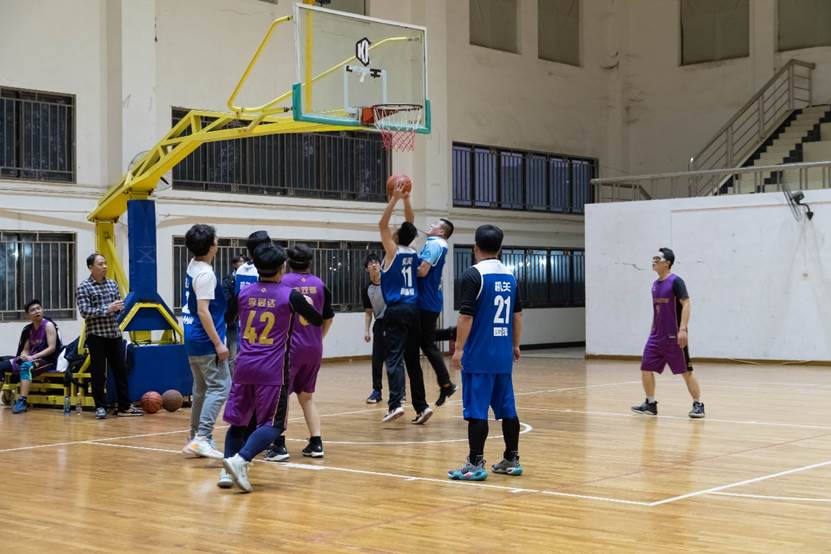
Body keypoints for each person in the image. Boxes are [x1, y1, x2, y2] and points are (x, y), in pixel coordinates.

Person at [221, 243, 324, 493]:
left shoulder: (243, 293)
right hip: (272, 370)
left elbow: (228, 318)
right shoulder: (290, 295)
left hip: (244, 365)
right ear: (282, 267)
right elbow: (316, 320)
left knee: (238, 422)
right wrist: (306, 302)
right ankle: (240, 459)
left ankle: (226, 471)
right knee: (274, 425)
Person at [448, 224, 524, 481]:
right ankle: (512, 458)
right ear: (500, 248)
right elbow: (517, 315)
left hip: (479, 355)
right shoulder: (510, 277)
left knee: (477, 411)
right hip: (502, 355)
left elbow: (466, 316)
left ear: (475, 247)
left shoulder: (473, 275)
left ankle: (475, 463)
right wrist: (515, 345)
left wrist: (459, 349)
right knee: (508, 409)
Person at [264, 243, 335, 462]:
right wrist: (318, 337)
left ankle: (279, 444)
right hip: (314, 348)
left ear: (287, 262)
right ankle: (316, 442)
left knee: (281, 397)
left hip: (289, 349)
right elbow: (328, 316)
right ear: (309, 262)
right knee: (307, 397)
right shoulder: (320, 284)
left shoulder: (283, 282)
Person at [378, 181, 431, 424]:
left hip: (397, 310)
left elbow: (382, 224)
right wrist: (407, 199)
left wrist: (395, 199)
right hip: (414, 310)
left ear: (397, 236)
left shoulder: (393, 251)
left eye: (396, 229)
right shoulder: (413, 250)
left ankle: (396, 404)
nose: (393, 229)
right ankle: (422, 406)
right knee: (412, 360)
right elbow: (409, 224)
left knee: (394, 358)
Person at [631, 248, 704, 418]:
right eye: (653, 258)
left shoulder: (676, 282)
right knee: (646, 367)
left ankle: (698, 404)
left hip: (674, 337)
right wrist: (652, 331)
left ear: (668, 263)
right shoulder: (655, 285)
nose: (654, 261)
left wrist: (683, 329)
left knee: (686, 372)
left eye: (658, 258)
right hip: (656, 337)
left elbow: (686, 304)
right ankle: (650, 404)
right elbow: (656, 311)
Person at [181, 224, 230, 459]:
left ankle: (194, 438)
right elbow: (203, 311)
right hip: (205, 339)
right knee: (220, 387)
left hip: (192, 336)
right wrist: (219, 343)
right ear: (212, 246)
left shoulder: (193, 265)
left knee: (200, 389)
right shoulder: (206, 274)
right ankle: (202, 438)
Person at [77, 253, 143, 419]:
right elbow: (85, 311)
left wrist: (119, 308)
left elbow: (119, 305)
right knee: (98, 373)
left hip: (114, 334)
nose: (105, 266)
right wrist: (107, 309)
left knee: (121, 371)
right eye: (100, 264)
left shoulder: (112, 284)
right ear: (91, 267)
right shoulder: (84, 287)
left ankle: (124, 406)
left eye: (105, 263)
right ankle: (100, 407)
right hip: (96, 336)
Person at [416, 217, 458, 406]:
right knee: (425, 340)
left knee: (427, 344)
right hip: (430, 299)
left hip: (426, 301)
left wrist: (400, 270)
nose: (430, 225)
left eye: (435, 225)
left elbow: (422, 271)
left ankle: (447, 383)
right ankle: (446, 384)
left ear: (441, 232)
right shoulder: (437, 243)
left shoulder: (434, 244)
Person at [0, 300, 60, 413]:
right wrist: (23, 356)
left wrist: (33, 357)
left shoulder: (48, 325)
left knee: (26, 366)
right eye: (33, 310)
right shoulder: (28, 329)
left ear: (42, 310)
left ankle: (22, 401)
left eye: (38, 308)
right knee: (2, 365)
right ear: (28, 315)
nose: (37, 311)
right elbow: (25, 350)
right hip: (32, 358)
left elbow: (51, 348)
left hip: (47, 360)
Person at [362, 253, 386, 404]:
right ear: (367, 269)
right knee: (377, 359)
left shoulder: (389, 282)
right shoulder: (367, 289)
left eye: (376, 262)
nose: (374, 265)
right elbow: (368, 312)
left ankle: (400, 392)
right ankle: (377, 391)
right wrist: (366, 330)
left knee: (394, 359)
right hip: (379, 323)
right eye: (370, 263)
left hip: (394, 322)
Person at [222, 255, 247, 372]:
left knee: (245, 353)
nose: (242, 264)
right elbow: (226, 298)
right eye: (240, 262)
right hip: (233, 321)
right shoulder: (228, 280)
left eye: (244, 262)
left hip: (247, 321)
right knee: (232, 354)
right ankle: (232, 379)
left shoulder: (251, 278)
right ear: (234, 264)